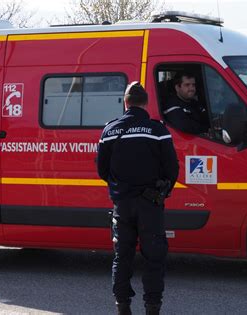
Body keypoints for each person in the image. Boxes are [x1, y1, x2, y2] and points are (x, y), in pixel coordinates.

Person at [96, 81, 179, 315]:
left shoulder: (109, 131)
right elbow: (172, 168)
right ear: (146, 104)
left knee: (122, 257)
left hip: (122, 205)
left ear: (125, 103)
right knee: (154, 258)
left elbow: (102, 170)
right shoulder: (158, 130)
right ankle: (152, 308)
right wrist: (163, 189)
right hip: (150, 205)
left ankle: (123, 307)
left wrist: (120, 188)